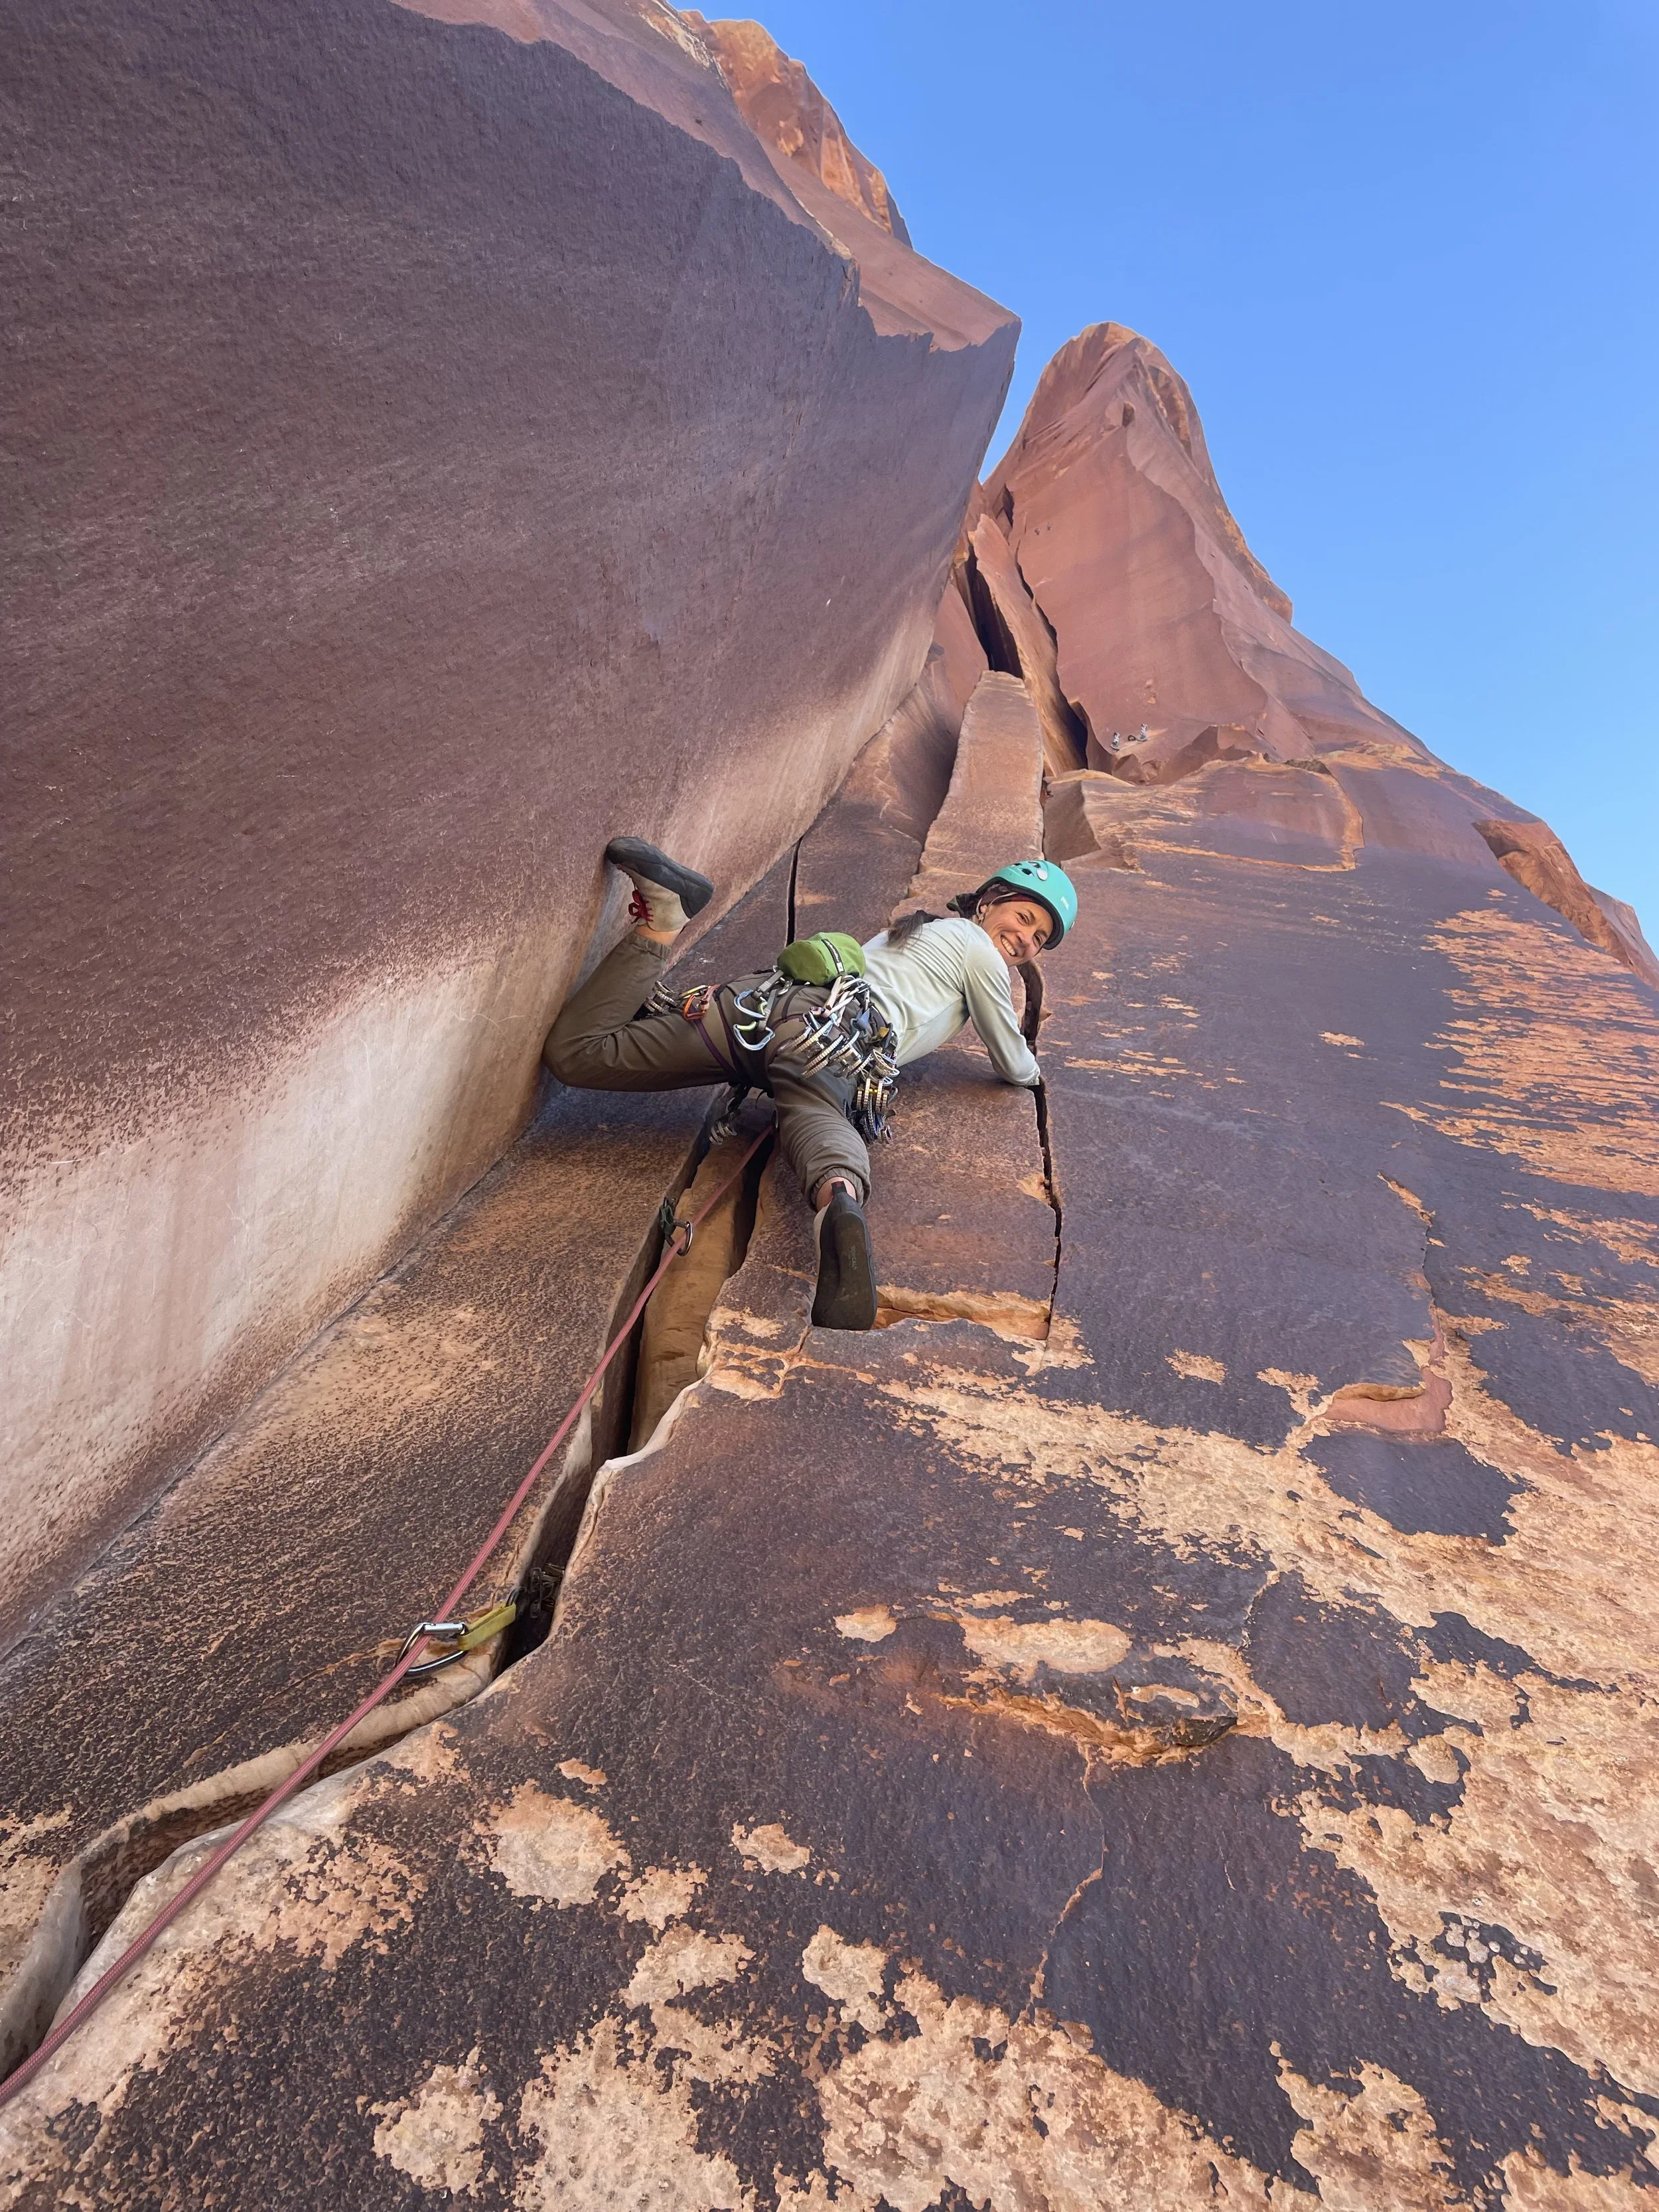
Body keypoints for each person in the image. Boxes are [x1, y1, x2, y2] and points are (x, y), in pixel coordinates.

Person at [544, 837, 1078, 1331]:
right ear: (988, 901)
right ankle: (838, 1202)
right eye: (1025, 918)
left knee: (579, 1054)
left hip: (760, 1008)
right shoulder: (978, 950)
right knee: (820, 1114)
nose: (1026, 941)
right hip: (833, 1040)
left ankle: (664, 917)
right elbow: (1012, 1060)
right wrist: (1044, 1076)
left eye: (1039, 939)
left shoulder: (916, 932)